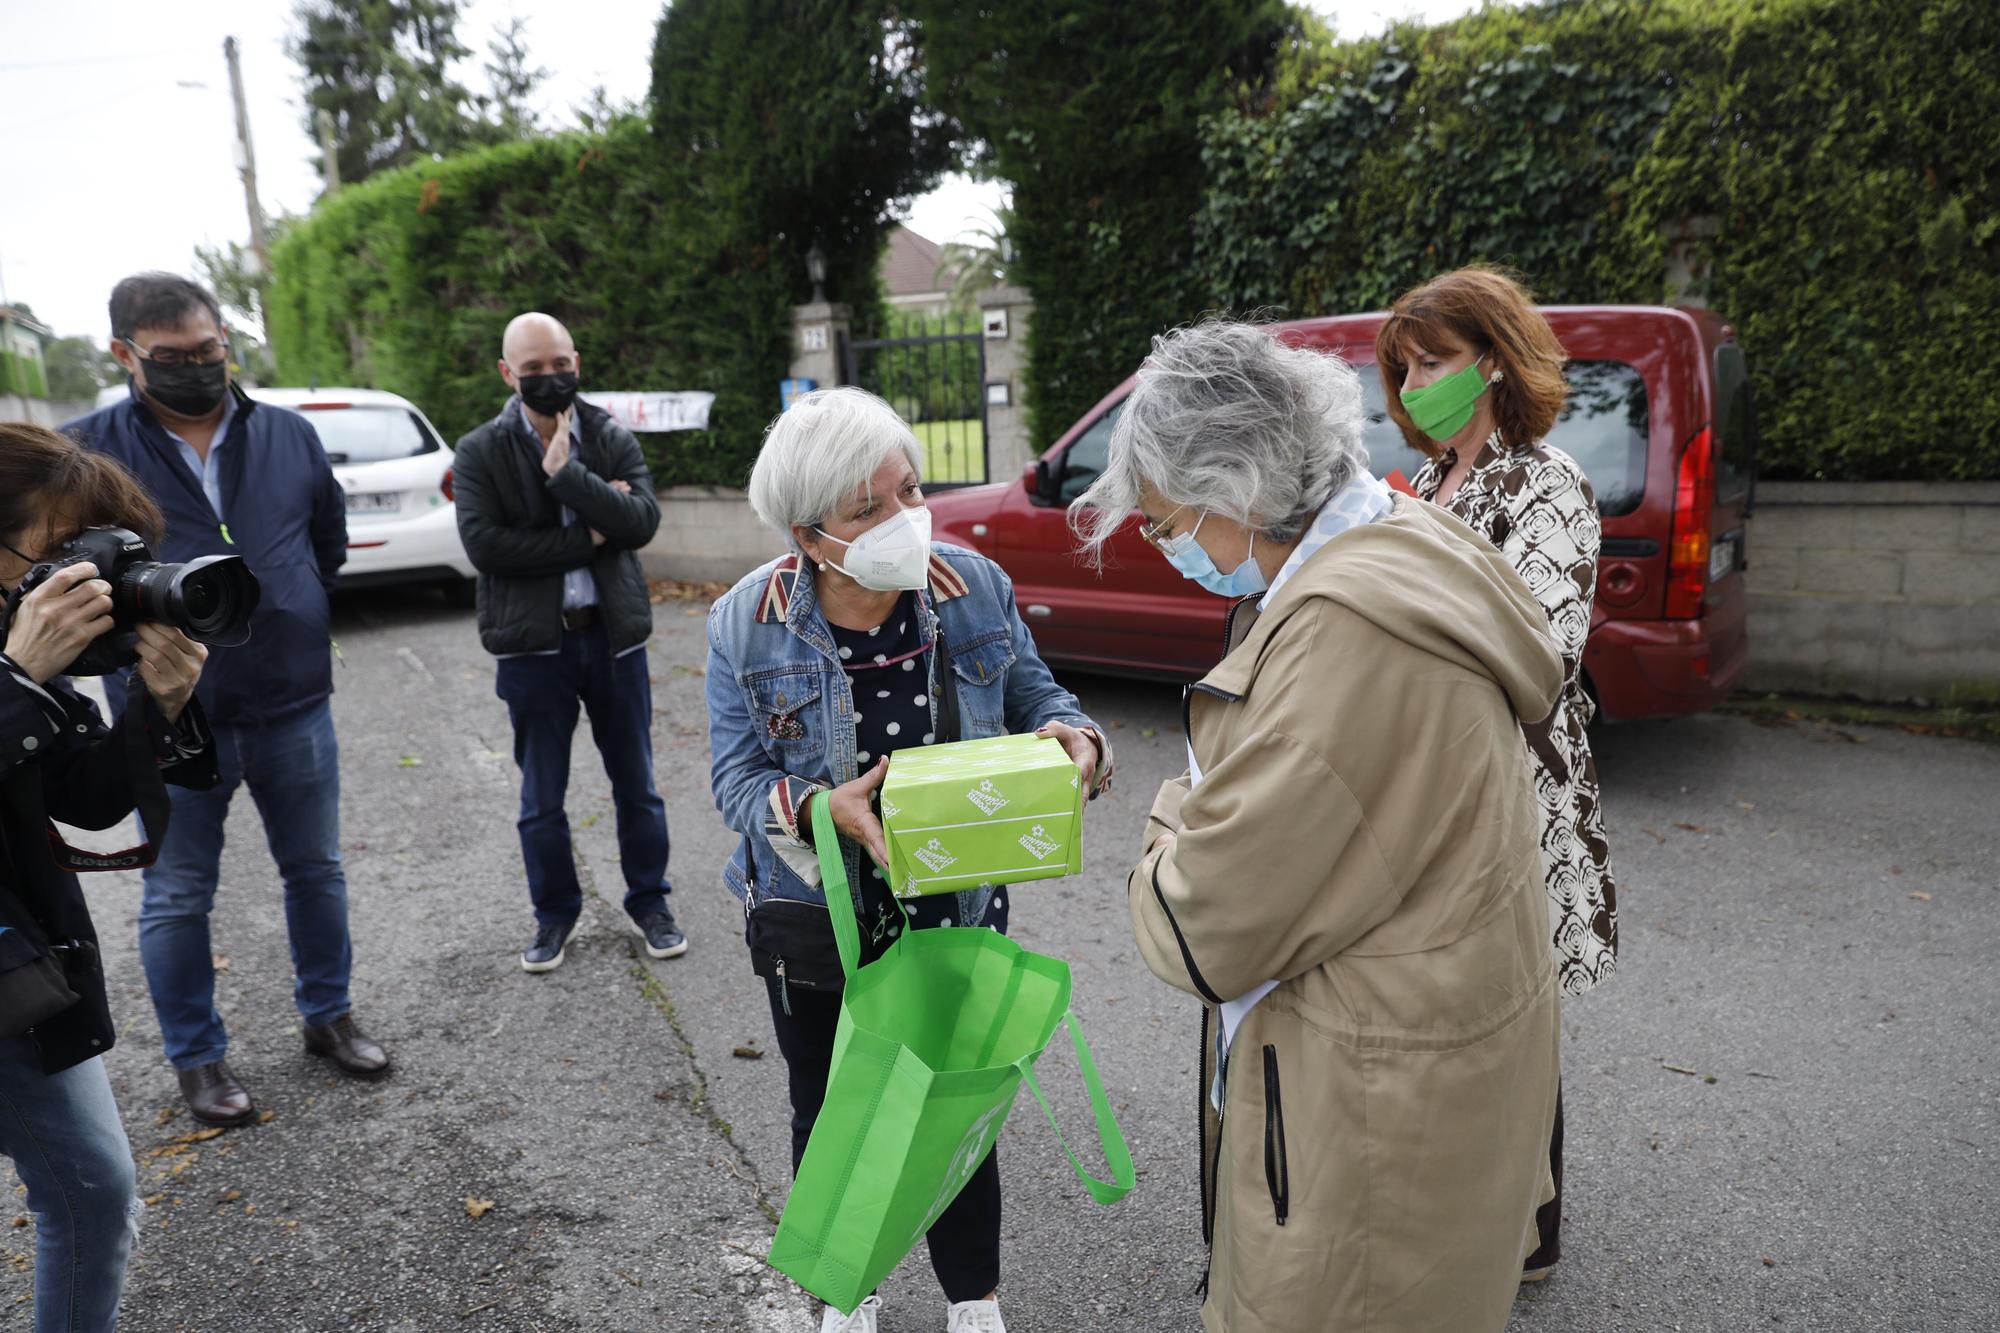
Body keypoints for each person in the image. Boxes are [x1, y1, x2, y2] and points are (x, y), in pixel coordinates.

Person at [1070, 321, 1563, 1332]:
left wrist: (1170, 823)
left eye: (1165, 524)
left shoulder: (1343, 637)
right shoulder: (1405, 532)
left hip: (1368, 1100)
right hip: (1435, 1040)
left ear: (1236, 495)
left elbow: (1203, 926)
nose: (1165, 549)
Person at [706, 387, 1113, 1333]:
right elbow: (735, 778)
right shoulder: (744, 621)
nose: (906, 520)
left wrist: (1074, 739)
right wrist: (819, 807)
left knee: (957, 1108)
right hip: (819, 915)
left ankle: (974, 1298)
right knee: (834, 1107)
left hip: (955, 907)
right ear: (810, 537)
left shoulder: (973, 586)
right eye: (870, 508)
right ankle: (846, 1287)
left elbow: (1040, 696)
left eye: (909, 490)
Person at [62, 273, 388, 1127]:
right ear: (125, 354)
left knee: (316, 869)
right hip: (168, 714)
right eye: (175, 357)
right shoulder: (85, 457)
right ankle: (198, 1059)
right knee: (176, 894)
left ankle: (330, 1016)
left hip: (292, 697)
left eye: (211, 351)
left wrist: (295, 603)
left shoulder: (286, 433)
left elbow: (327, 541)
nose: (200, 368)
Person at [1376, 265, 1618, 1279]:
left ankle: (1526, 1238)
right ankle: (1457, 1213)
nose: (1415, 381)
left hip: (1509, 792)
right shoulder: (1428, 482)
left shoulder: (1544, 483)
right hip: (1426, 787)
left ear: (1491, 361)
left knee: (1511, 1016)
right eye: (1403, 366)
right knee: (1448, 1012)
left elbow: (1544, 649)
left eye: (1433, 360)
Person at [0, 423, 216, 1333]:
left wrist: (159, 702)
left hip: (20, 964)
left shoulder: (27, 631)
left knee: (94, 1187)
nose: (78, 578)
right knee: (91, 1188)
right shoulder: (23, 648)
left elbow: (88, 800)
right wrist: (16, 678)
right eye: (59, 550)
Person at [451, 312, 684, 972]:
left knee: (636, 784)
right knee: (541, 799)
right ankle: (555, 915)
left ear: (576, 359)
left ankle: (650, 902)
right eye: (534, 370)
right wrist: (587, 534)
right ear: (507, 373)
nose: (551, 378)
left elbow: (640, 521)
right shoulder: (480, 451)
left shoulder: (608, 433)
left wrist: (568, 477)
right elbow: (486, 546)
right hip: (534, 650)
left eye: (561, 364)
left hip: (614, 641)